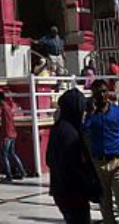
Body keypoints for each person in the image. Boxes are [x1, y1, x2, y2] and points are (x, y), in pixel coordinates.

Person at [83, 79, 119, 224]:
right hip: (99, 163)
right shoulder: (92, 116)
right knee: (105, 205)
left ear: (107, 92)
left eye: (103, 91)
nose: (101, 95)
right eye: (97, 93)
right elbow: (85, 132)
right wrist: (89, 113)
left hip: (118, 161)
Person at [47, 88, 99, 224]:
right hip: (73, 193)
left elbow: (49, 159)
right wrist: (89, 185)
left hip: (61, 191)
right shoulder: (69, 133)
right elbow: (72, 167)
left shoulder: (58, 127)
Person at [0, 91, 26, 182]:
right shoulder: (8, 108)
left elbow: (6, 124)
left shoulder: (4, 109)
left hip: (7, 135)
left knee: (4, 155)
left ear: (0, 99)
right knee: (12, 153)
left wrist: (5, 136)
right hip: (12, 133)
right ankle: (22, 171)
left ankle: (8, 176)